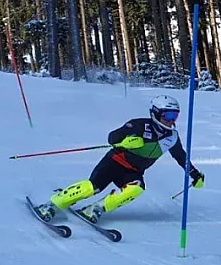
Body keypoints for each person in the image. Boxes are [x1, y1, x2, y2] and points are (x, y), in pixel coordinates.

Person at [34, 94, 204, 223]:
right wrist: (126, 141)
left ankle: (96, 208)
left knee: (137, 188)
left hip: (133, 171)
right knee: (93, 187)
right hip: (115, 161)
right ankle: (52, 204)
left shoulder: (172, 137)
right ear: (156, 114)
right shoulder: (139, 125)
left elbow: (181, 157)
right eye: (168, 116)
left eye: (175, 116)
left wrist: (194, 174)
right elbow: (112, 137)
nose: (171, 121)